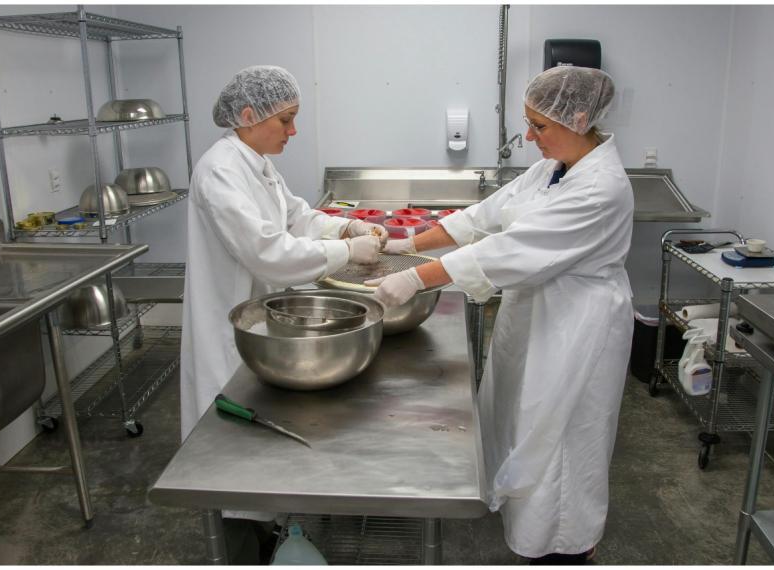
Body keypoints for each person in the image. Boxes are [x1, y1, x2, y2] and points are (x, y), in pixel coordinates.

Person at [366, 66, 633, 564]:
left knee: (561, 437)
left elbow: (508, 250)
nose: (530, 137)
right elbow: (480, 218)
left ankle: (564, 546)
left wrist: (409, 278)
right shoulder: (552, 168)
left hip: (577, 326)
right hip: (536, 313)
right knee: (520, 415)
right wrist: (406, 245)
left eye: (539, 126)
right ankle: (523, 518)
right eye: (528, 124)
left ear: (578, 118)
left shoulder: (602, 187)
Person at [181, 65, 386, 440]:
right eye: (286, 120)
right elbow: (267, 252)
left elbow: (294, 215)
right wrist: (347, 250)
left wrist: (344, 226)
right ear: (248, 116)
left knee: (260, 432)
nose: (293, 131)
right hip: (228, 324)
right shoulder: (220, 171)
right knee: (229, 439)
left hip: (259, 317)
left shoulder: (258, 164)